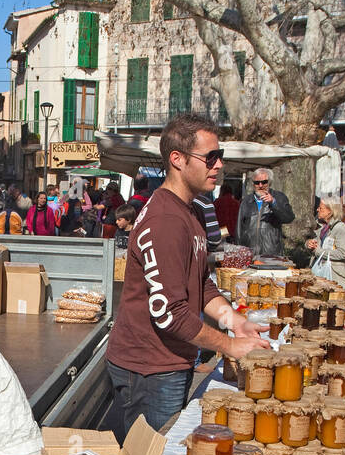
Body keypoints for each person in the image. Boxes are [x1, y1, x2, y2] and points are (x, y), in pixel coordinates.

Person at [105, 113, 270, 433]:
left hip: (170, 363)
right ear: (177, 160)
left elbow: (200, 281)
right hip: (148, 369)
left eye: (219, 156)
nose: (219, 165)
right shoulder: (165, 220)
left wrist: (233, 320)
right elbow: (169, 313)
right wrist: (229, 345)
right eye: (211, 157)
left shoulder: (191, 211)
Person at [237, 167, 296, 257]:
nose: (260, 185)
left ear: (269, 182)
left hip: (271, 252)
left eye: (264, 182)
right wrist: (239, 250)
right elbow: (239, 227)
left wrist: (273, 203)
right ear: (253, 184)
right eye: (257, 183)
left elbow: (289, 218)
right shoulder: (246, 201)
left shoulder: (279, 197)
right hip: (249, 252)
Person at [304, 196, 345, 287]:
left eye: (321, 208)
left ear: (330, 211)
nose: (317, 210)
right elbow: (314, 244)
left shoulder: (340, 228)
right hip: (319, 274)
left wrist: (319, 252)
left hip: (334, 277)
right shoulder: (321, 227)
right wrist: (309, 244)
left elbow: (342, 253)